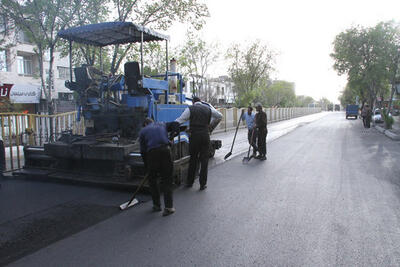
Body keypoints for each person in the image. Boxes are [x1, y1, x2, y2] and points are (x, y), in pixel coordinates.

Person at [175, 96, 222, 190]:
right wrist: (210, 126)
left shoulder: (190, 109)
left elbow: (180, 120)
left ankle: (190, 182)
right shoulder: (208, 109)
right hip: (205, 136)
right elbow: (220, 116)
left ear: (193, 102)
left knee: (193, 159)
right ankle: (202, 184)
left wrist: (170, 126)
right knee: (204, 160)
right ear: (200, 101)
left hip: (195, 136)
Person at [139, 118, 178, 216]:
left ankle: (157, 205)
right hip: (165, 150)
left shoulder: (143, 131)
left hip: (152, 154)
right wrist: (172, 136)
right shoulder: (162, 123)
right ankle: (169, 208)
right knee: (167, 179)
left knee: (152, 180)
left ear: (145, 124)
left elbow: (143, 152)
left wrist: (148, 168)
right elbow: (175, 123)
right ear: (153, 122)